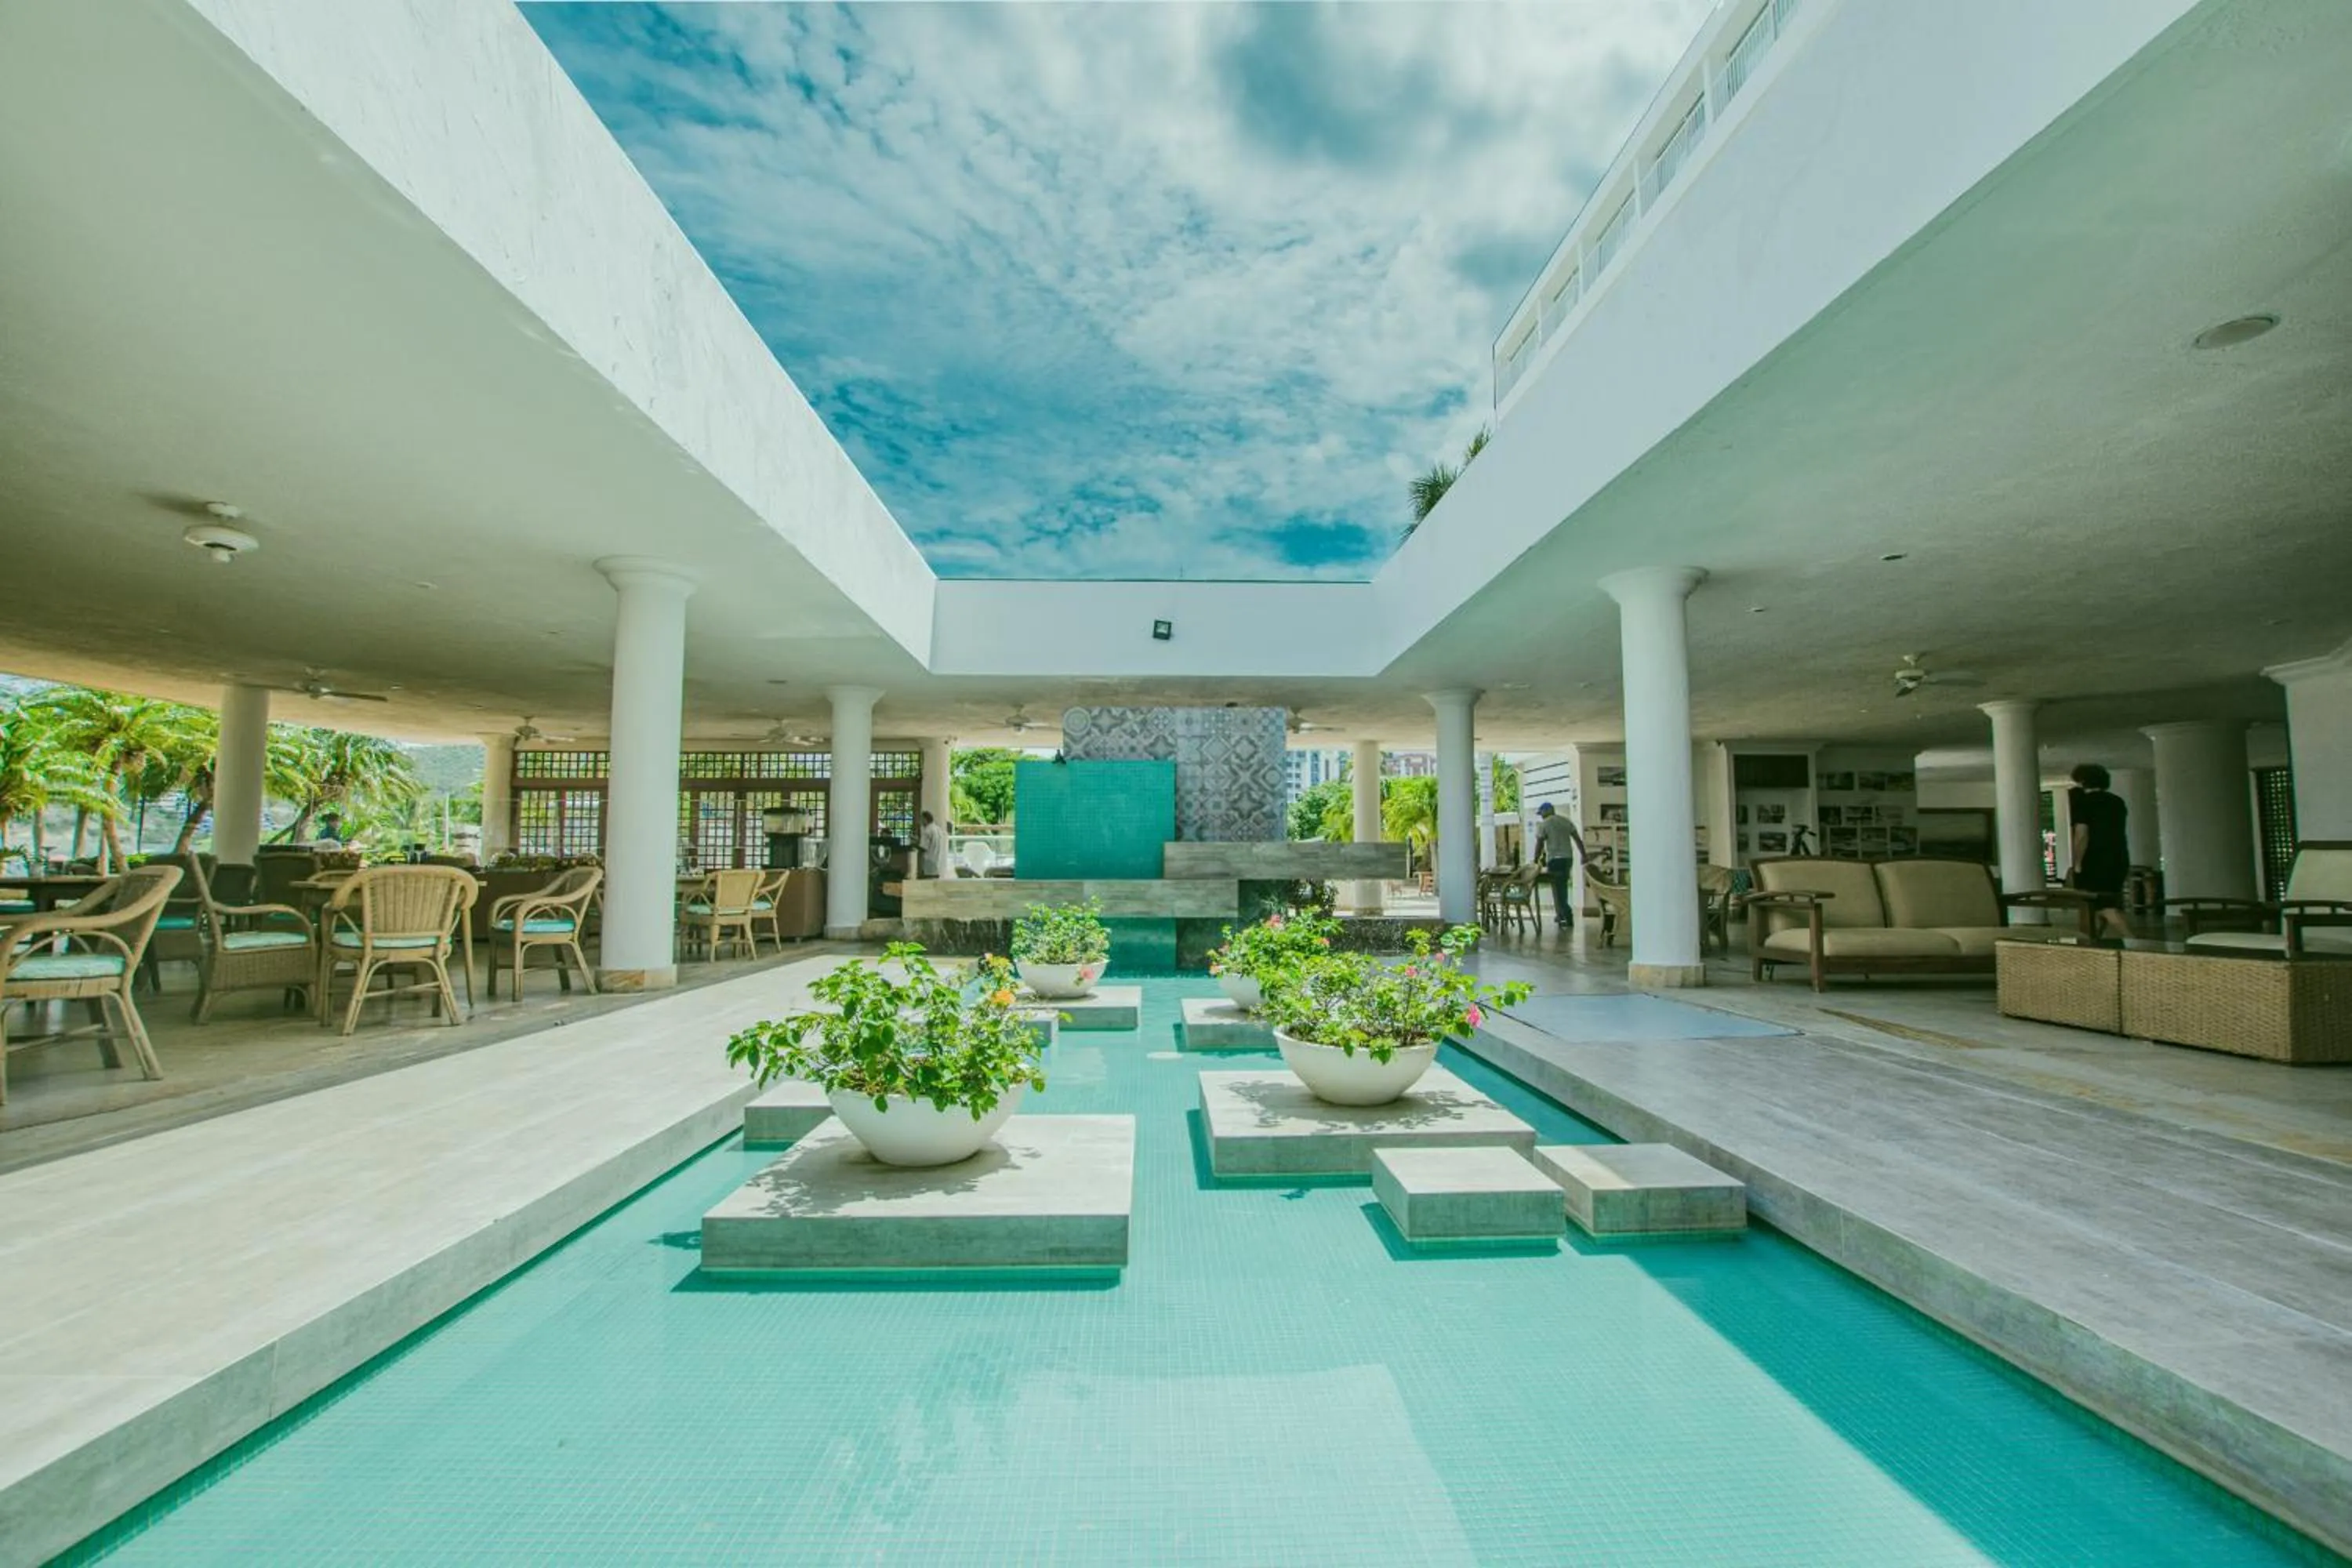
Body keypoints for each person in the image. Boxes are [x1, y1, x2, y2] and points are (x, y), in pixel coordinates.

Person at [2067, 763, 2131, 939]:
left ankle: (2133, 940)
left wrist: (2077, 863)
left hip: (2095, 860)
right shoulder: (2117, 801)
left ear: (2082, 781)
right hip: (2119, 857)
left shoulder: (2084, 803)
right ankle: (2095, 939)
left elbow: (2082, 835)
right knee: (2105, 902)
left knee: (2099, 905)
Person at [1532, 802, 1585, 933]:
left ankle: (1567, 914)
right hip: (1567, 859)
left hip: (1554, 860)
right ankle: (1560, 914)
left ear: (1546, 811)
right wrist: (1584, 855)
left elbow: (1540, 844)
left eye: (1541, 813)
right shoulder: (1566, 821)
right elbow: (1578, 839)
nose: (1541, 816)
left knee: (1557, 889)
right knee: (1562, 886)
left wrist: (1535, 860)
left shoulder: (1544, 825)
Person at [918, 811, 946, 879]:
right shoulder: (938, 829)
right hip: (937, 863)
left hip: (928, 863)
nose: (920, 822)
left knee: (927, 882)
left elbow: (923, 848)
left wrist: (915, 845)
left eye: (921, 819)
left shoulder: (927, 831)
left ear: (925, 819)